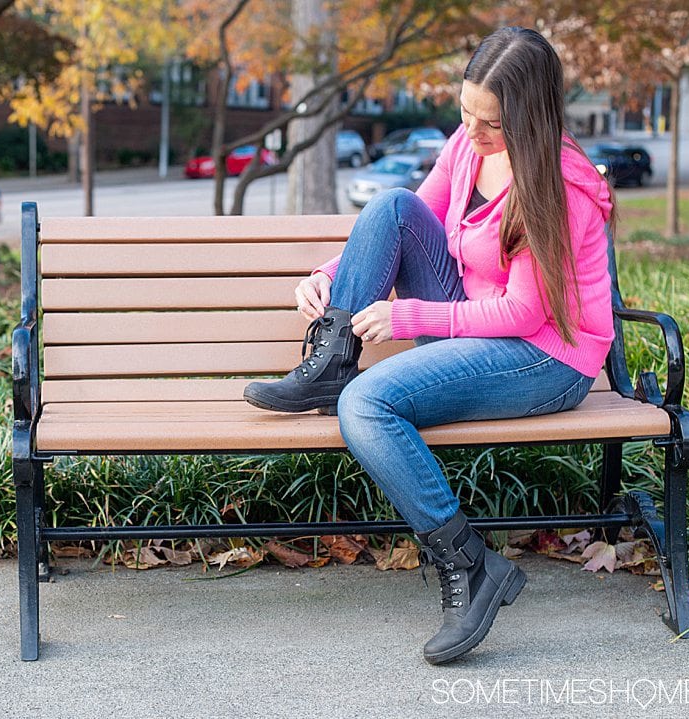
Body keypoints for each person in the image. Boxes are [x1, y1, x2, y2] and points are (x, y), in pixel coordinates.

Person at [244, 26, 615, 664]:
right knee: (390, 206)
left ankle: (470, 567)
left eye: (490, 123)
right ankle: (333, 354)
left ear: (528, 117)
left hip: (547, 355)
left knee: (366, 407)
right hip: (479, 312)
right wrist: (329, 279)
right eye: (465, 112)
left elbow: (527, 311)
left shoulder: (557, 187)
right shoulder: (469, 146)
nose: (473, 132)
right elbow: (410, 221)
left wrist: (411, 315)